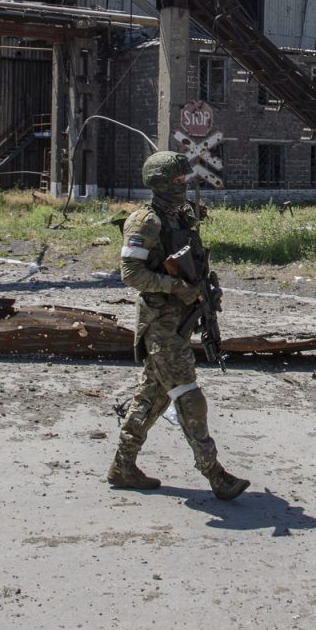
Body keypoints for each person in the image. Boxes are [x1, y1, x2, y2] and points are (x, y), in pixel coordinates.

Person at [108, 150, 249, 500]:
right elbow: (131, 273)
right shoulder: (145, 222)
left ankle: (123, 467)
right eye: (177, 180)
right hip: (161, 325)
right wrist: (175, 286)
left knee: (151, 397)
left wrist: (204, 290)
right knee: (189, 395)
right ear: (160, 183)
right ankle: (215, 473)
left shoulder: (182, 217)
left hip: (181, 320)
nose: (184, 185)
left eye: (185, 179)